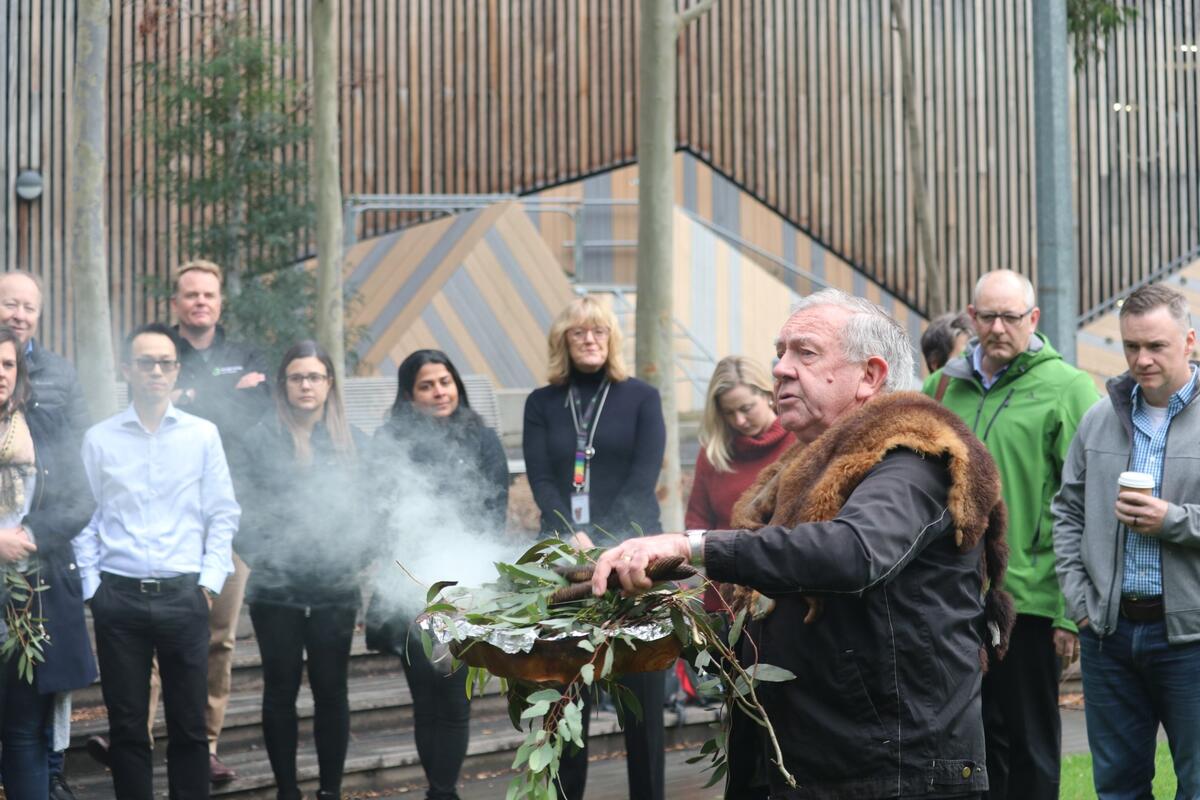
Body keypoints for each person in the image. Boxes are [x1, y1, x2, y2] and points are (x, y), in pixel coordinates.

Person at [589, 289, 1014, 798]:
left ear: (870, 376)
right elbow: (780, 618)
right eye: (780, 351)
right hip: (814, 766)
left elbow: (850, 553)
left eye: (805, 353)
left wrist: (693, 545)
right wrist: (642, 628)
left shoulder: (914, 463)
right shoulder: (801, 474)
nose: (781, 369)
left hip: (895, 773)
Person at [922, 269, 1098, 800]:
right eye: (988, 316)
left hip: (1030, 597)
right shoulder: (942, 386)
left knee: (1030, 746)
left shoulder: (1068, 388)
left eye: (1011, 317)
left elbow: (1086, 504)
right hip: (949, 597)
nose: (999, 327)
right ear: (971, 318)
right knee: (969, 745)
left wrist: (1071, 611)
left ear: (1033, 319)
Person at [74, 322, 240, 800]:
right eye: (145, 362)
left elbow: (223, 513)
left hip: (183, 596)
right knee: (127, 729)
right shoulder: (100, 439)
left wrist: (207, 583)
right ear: (127, 370)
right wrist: (92, 589)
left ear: (176, 371)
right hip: (118, 599)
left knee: (189, 729)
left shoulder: (202, 436)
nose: (155, 371)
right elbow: (87, 518)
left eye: (165, 363)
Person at [1053, 283, 1200, 796]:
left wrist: (1173, 520)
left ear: (1189, 341)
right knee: (1117, 787)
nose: (1141, 359)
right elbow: (1066, 512)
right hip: (1109, 637)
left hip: (1191, 637)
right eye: (1131, 346)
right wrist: (1082, 606)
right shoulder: (1100, 418)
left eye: (1155, 346)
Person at [522, 296, 667, 800]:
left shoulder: (642, 397)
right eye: (579, 332)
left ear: (612, 339)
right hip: (565, 562)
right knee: (566, 696)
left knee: (643, 700)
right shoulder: (541, 403)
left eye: (599, 332)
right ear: (563, 340)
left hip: (633, 556)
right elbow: (540, 476)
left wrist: (606, 539)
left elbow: (644, 474)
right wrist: (569, 531)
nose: (590, 340)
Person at [368, 349, 509, 800]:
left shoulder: (483, 440)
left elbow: (495, 513)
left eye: (445, 382)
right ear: (409, 397)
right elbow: (380, 514)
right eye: (426, 386)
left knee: (453, 700)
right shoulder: (390, 442)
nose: (438, 392)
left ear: (457, 385)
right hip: (410, 587)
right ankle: (437, 788)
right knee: (424, 702)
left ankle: (443, 792)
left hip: (465, 587)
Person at [230, 341, 368, 800]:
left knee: (332, 691)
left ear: (329, 384)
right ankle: (287, 791)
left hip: (335, 586)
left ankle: (330, 791)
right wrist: (267, 557)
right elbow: (239, 512)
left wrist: (354, 557)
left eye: (314, 377)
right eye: (296, 377)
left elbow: (375, 509)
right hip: (276, 588)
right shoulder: (258, 439)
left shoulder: (354, 442)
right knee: (280, 690)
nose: (306, 385)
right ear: (283, 384)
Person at [0, 270, 91, 800]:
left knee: (24, 735)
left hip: (31, 599)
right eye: (7, 303)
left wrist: (27, 535)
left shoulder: (48, 433)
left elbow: (81, 500)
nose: (3, 372)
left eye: (10, 364)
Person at [686, 355, 794, 612]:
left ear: (768, 394)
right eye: (729, 413)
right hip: (723, 595)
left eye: (746, 408)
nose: (739, 421)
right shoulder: (714, 451)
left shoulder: (798, 441)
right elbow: (697, 521)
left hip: (780, 590)